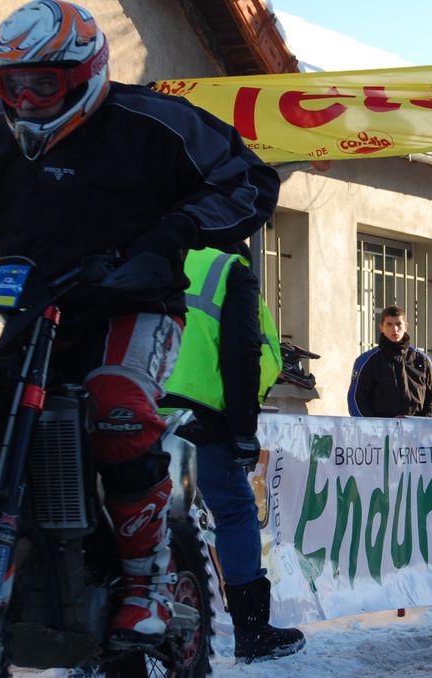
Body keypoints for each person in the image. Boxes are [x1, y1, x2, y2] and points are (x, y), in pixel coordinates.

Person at [0, 0, 279, 650]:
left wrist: (172, 235)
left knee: (115, 405)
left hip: (130, 302)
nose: (23, 96)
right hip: (24, 307)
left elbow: (248, 178)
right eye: (10, 82)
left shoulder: (151, 122)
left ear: (84, 74)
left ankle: (145, 587)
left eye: (40, 82)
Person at [159, 244, 305, 663]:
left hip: (138, 402)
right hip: (201, 416)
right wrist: (243, 429)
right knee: (236, 511)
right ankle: (252, 630)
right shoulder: (228, 269)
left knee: (126, 511)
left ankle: (101, 647)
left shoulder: (150, 248)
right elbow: (247, 353)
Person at [348, 305, 432, 417]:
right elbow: (356, 400)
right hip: (381, 432)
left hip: (417, 431)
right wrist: (376, 428)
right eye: (389, 324)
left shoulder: (423, 360)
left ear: (406, 326)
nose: (394, 329)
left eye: (398, 324)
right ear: (381, 327)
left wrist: (425, 426)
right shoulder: (367, 361)